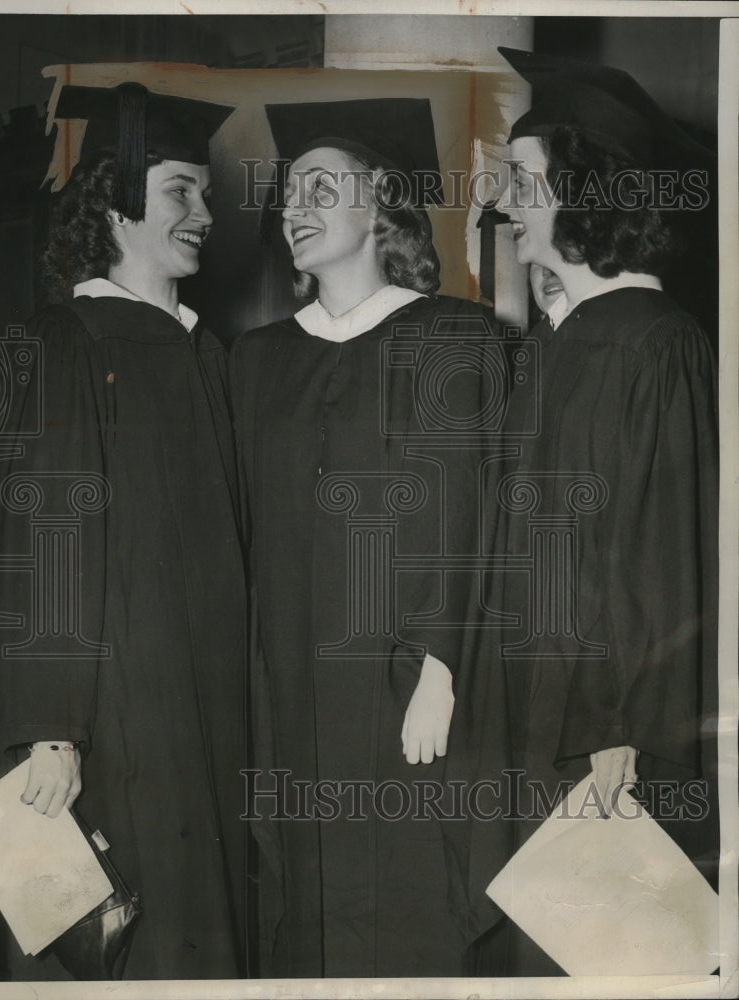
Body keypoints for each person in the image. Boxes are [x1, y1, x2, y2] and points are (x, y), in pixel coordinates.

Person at [230, 98, 510, 978]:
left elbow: (467, 514)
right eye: (286, 195)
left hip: (408, 689)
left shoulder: (451, 338)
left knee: (408, 906)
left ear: (382, 198)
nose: (295, 208)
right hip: (286, 694)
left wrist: (442, 664)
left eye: (321, 186)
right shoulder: (257, 359)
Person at [0, 82, 248, 980]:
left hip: (201, 699)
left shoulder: (203, 351)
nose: (204, 213)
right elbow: (47, 524)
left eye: (204, 194)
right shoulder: (72, 339)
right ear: (118, 201)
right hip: (114, 703)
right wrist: (51, 723)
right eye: (181, 191)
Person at [475, 48, 719, 974]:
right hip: (537, 707)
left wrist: (623, 726)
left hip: (607, 730)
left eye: (525, 181)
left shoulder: (655, 344)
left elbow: (661, 553)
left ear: (587, 188)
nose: (505, 205)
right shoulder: (557, 345)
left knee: (603, 957)